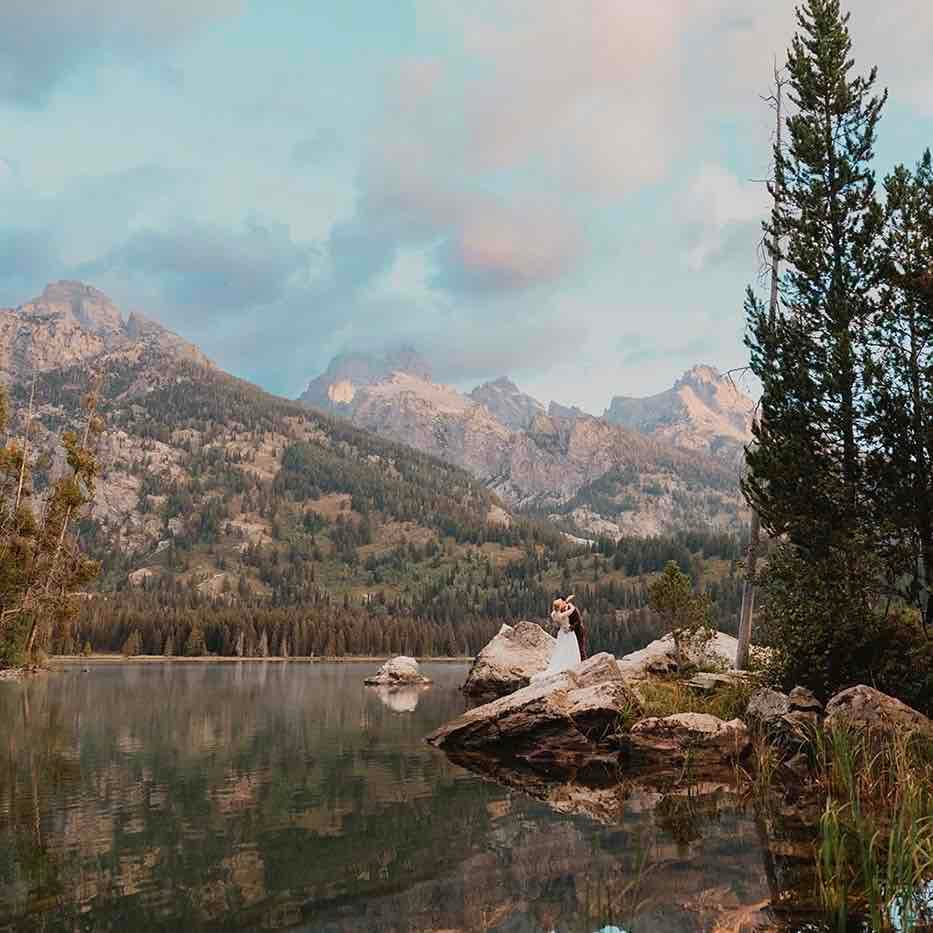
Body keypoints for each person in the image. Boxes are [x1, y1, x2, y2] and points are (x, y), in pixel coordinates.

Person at [531, 596, 581, 682]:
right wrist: (570, 604)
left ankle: (563, 663)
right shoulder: (562, 615)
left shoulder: (553, 615)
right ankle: (572, 665)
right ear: (559, 607)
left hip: (561, 633)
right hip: (568, 633)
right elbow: (572, 610)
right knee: (571, 649)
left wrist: (563, 605)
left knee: (561, 649)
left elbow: (558, 611)